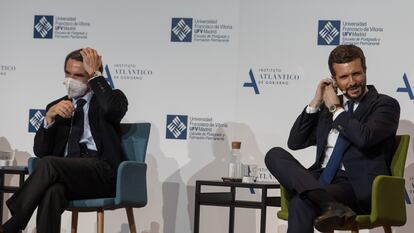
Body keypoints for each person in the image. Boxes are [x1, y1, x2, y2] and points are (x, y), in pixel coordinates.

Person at [265, 44, 400, 233]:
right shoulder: (327, 108)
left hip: (354, 184)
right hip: (320, 179)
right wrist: (316, 101)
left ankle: (323, 201)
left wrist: (336, 109)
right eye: (344, 77)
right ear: (334, 80)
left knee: (301, 202)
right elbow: (296, 142)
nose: (352, 81)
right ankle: (328, 203)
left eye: (357, 74)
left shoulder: (384, 105)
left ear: (365, 71)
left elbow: (364, 138)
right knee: (274, 154)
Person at [0, 48, 128, 233]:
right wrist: (49, 119)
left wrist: (95, 75)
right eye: (68, 73)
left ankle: (13, 224)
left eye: (78, 75)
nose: (70, 80)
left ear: (91, 77)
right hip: (70, 174)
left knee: (50, 164)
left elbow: (112, 110)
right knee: (53, 192)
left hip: (103, 174)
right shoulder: (58, 105)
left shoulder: (110, 98)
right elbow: (41, 152)